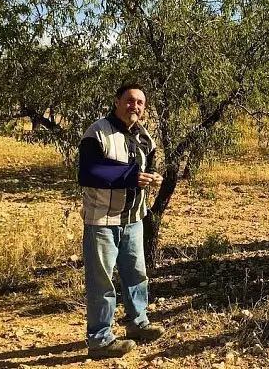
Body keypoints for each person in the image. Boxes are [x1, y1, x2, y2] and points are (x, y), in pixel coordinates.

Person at [78, 84, 165, 358]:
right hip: (102, 219)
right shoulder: (97, 132)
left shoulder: (144, 136)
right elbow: (88, 171)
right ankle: (100, 340)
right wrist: (129, 176)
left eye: (140, 102)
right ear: (117, 101)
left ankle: (138, 324)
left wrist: (153, 177)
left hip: (134, 219)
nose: (135, 106)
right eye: (130, 100)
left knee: (136, 274)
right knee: (101, 281)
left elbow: (149, 165)